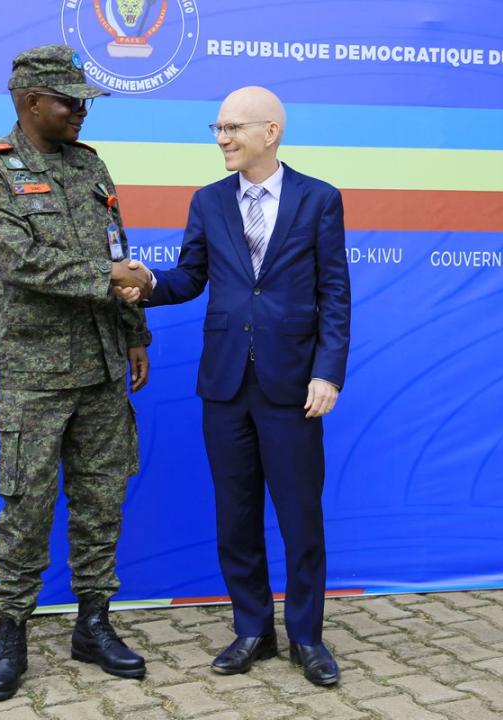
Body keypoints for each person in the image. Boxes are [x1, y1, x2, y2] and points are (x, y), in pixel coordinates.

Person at [118, 86, 350, 685]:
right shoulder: (209, 201)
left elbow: (334, 295)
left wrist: (327, 371)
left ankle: (307, 638)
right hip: (224, 385)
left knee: (301, 518)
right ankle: (253, 630)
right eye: (217, 127)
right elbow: (191, 277)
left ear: (270, 132)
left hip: (294, 385)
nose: (221, 138)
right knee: (235, 514)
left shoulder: (320, 199)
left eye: (232, 128)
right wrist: (147, 283)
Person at [0, 44, 154, 703]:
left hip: (101, 365)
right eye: (68, 101)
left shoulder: (91, 166)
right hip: (35, 374)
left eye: (83, 101)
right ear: (29, 102)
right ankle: (11, 632)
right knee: (28, 507)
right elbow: (20, 263)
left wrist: (134, 333)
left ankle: (93, 623)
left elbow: (116, 249)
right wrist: (109, 280)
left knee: (102, 501)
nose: (80, 111)